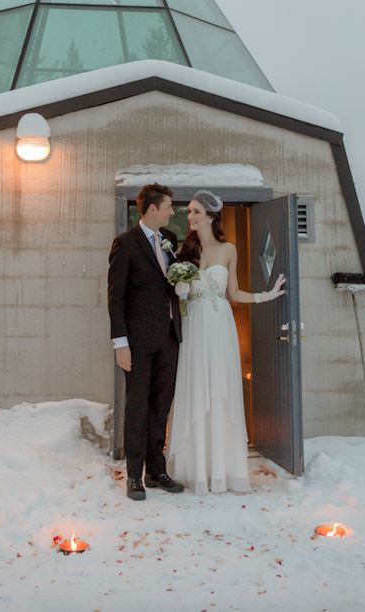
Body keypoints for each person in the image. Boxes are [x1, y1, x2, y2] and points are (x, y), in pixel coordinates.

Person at [167, 190, 285, 495]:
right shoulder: (184, 252)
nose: (190, 217)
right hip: (193, 326)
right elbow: (176, 293)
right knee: (196, 387)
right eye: (189, 212)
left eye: (195, 212)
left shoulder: (228, 249)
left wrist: (264, 296)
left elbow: (233, 292)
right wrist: (180, 290)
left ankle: (221, 470)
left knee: (218, 389)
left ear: (210, 216)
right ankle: (195, 468)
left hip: (219, 326)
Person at [108, 183, 184, 501]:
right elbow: (116, 297)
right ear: (152, 208)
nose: (172, 211)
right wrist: (120, 343)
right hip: (137, 342)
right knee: (137, 407)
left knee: (160, 406)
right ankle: (135, 476)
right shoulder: (125, 244)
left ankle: (156, 470)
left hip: (169, 337)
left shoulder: (169, 241)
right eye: (168, 206)